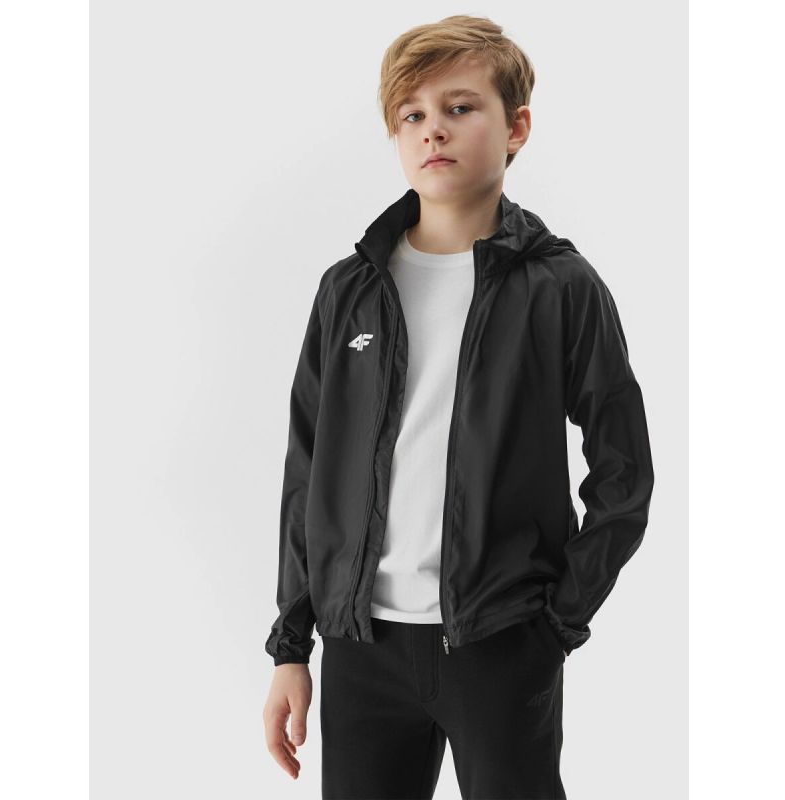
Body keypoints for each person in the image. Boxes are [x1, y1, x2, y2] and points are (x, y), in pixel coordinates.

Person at [263, 14, 654, 800]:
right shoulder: (350, 289)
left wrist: (557, 623)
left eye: (460, 107)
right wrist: (291, 647)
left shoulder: (561, 287)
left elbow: (623, 472)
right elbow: (309, 471)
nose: (432, 129)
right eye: (411, 114)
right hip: (360, 647)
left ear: (517, 128)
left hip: (501, 642)